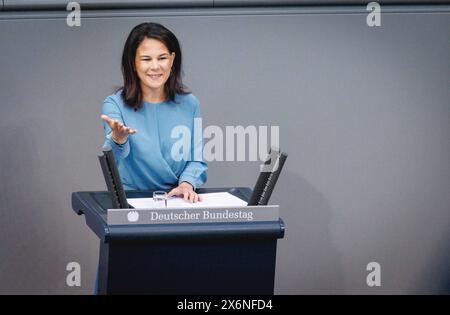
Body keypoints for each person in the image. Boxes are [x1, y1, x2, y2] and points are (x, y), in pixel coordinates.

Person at [100, 22, 207, 203]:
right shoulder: (114, 105)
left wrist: (187, 185)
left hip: (178, 199)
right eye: (146, 59)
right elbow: (113, 160)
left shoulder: (190, 104)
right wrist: (118, 139)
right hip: (133, 201)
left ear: (172, 60)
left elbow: (197, 159)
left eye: (162, 58)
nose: (155, 66)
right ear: (133, 62)